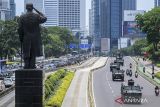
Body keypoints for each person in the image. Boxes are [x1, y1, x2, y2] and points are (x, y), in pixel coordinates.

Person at [18, 3, 47, 69]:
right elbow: (45, 18)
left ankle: (26, 65)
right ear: (32, 8)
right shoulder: (36, 16)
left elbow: (20, 29)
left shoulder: (22, 17)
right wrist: (37, 11)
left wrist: (21, 37)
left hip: (26, 37)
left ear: (26, 8)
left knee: (26, 52)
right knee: (33, 52)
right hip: (35, 38)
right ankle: (32, 65)